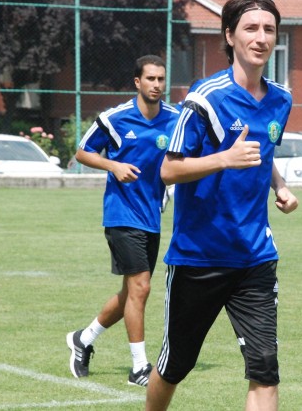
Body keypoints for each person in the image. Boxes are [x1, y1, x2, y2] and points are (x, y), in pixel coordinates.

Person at [145, 0, 298, 411]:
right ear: (230, 36)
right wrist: (224, 159)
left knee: (265, 369)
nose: (261, 37)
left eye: (269, 29)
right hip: (199, 258)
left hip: (255, 257)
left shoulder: (281, 99)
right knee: (175, 365)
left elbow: (262, 154)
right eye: (251, 28)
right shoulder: (205, 97)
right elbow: (169, 169)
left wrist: (280, 187)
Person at [66, 55, 179, 386]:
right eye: (151, 79)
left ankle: (83, 339)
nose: (157, 85)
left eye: (161, 79)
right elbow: (82, 152)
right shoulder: (114, 118)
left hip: (152, 217)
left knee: (132, 291)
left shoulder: (175, 119)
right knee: (141, 287)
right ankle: (139, 367)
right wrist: (113, 165)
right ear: (137, 82)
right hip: (121, 215)